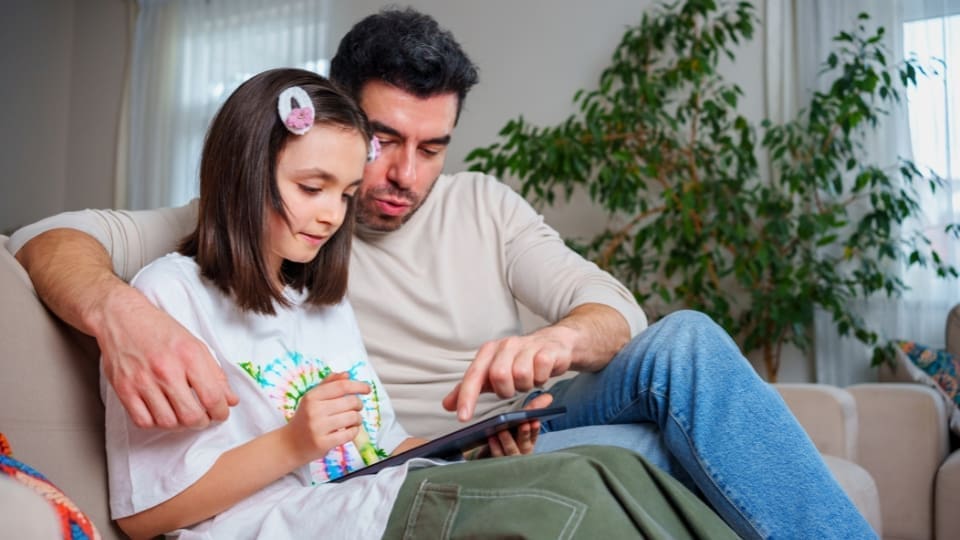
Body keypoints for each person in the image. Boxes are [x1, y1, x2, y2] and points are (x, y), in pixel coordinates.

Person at [7, 8, 875, 540]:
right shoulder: (244, 227)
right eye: (382, 144)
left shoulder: (472, 210)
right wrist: (121, 314)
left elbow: (611, 309)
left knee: (682, 342)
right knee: (644, 456)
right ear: (338, 113)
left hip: (477, 434)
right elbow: (47, 237)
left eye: (432, 148)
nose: (400, 178)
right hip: (387, 477)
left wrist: (554, 344)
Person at [104, 66, 737, 540]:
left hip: (376, 495)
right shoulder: (166, 296)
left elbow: (384, 450)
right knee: (577, 487)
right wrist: (294, 444)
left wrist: (475, 443)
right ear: (244, 173)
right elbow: (142, 515)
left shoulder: (319, 301)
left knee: (610, 466)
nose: (331, 215)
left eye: (345, 193)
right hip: (300, 524)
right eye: (311, 186)